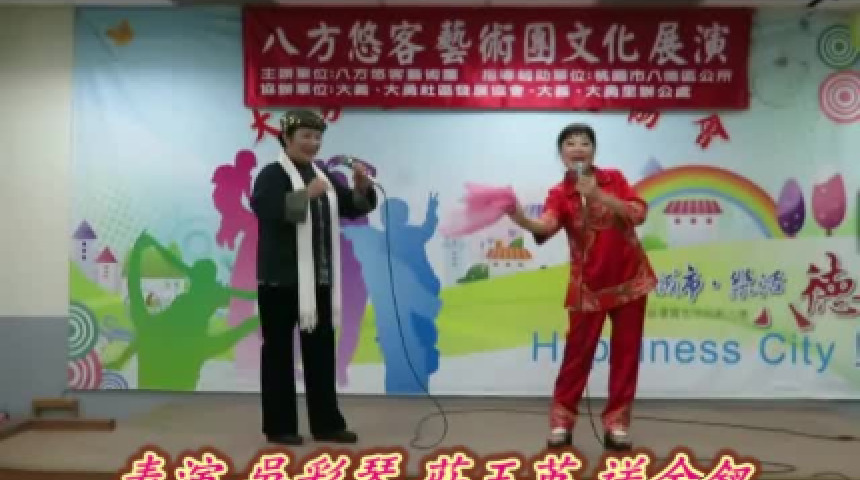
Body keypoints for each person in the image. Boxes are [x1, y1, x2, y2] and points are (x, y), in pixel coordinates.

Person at [506, 123, 657, 450]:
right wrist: (520, 219)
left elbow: (639, 213)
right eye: (570, 144)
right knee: (577, 356)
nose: (578, 148)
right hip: (587, 288)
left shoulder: (613, 179)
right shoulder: (560, 194)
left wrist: (599, 195)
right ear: (562, 154)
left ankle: (617, 423)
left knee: (626, 355)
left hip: (630, 282)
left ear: (593, 151)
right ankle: (562, 422)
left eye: (585, 143)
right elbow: (545, 226)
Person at [250, 109, 377, 445]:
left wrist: (362, 188)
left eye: (317, 137)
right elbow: (268, 211)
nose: (313, 143)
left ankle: (327, 424)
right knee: (278, 354)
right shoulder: (271, 175)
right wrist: (306, 195)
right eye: (305, 136)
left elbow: (354, 207)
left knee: (321, 354)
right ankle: (279, 426)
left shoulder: (324, 176)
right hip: (279, 282)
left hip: (319, 281)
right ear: (286, 138)